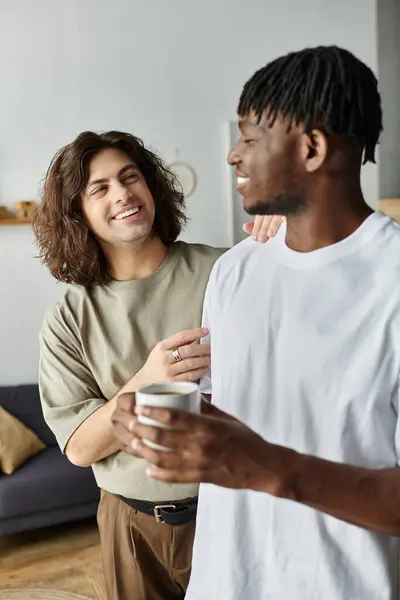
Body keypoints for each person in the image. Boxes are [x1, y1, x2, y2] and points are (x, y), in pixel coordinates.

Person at [113, 46, 400, 600]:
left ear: (312, 147)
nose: (232, 155)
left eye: (249, 136)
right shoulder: (236, 271)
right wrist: (162, 419)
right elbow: (236, 409)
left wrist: (265, 465)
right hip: (227, 580)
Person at [32, 130, 282, 600]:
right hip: (130, 525)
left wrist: (292, 215)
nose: (123, 193)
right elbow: (81, 447)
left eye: (131, 177)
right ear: (77, 213)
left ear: (152, 187)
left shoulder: (226, 272)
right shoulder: (68, 317)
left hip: (231, 511)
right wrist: (148, 380)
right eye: (99, 188)